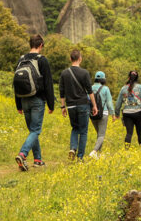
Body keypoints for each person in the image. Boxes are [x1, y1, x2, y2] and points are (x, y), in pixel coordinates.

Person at [14, 33, 55, 170]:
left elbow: (16, 83)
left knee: (33, 130)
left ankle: (38, 159)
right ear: (41, 45)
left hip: (24, 99)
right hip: (37, 100)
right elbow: (48, 83)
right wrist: (51, 104)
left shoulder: (21, 59)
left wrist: (18, 104)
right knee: (36, 130)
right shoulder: (42, 60)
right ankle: (23, 153)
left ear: (30, 44)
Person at [58, 49, 97, 161]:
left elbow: (62, 91)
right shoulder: (84, 73)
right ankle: (80, 157)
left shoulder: (64, 73)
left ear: (70, 59)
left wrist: (62, 107)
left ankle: (73, 148)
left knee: (75, 128)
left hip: (70, 106)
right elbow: (90, 91)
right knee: (83, 131)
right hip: (83, 104)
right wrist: (94, 106)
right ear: (80, 59)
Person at [115, 70, 141, 146]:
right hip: (139, 112)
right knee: (140, 133)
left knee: (129, 133)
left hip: (127, 113)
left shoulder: (123, 88)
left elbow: (118, 103)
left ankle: (126, 150)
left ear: (129, 77)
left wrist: (117, 114)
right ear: (137, 78)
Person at [89, 70, 116, 156]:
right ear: (103, 80)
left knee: (99, 134)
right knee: (101, 135)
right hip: (103, 113)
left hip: (92, 113)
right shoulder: (105, 89)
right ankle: (94, 151)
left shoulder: (90, 88)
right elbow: (109, 102)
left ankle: (98, 154)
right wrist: (113, 114)